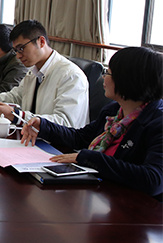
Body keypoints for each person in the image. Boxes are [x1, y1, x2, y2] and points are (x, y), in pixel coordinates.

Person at [21, 47, 163, 199]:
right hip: (102, 194)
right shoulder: (114, 111)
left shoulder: (157, 123)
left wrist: (90, 158)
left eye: (108, 73)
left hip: (133, 206)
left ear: (128, 80)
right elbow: (81, 137)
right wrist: (43, 125)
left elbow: (154, 181)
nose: (103, 77)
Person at [0, 19, 89, 128]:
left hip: (53, 139)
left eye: (21, 48)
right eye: (16, 50)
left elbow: (65, 122)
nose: (18, 56)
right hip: (31, 134)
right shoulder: (34, 71)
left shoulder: (71, 76)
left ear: (41, 42)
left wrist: (16, 116)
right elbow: (16, 96)